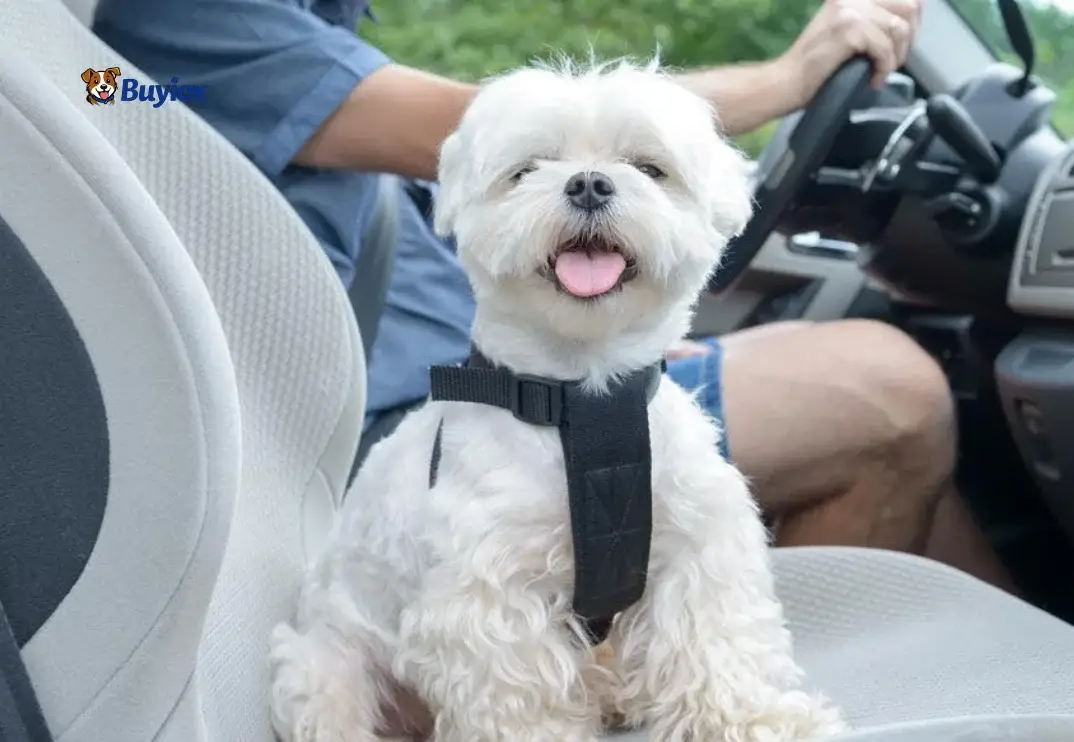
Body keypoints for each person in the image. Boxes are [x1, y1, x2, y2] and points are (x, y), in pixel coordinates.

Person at [93, 0, 1012, 592]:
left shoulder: (309, 31)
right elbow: (487, 131)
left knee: (896, 422)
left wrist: (594, 339)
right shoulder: (188, 24)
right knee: (890, 394)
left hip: (504, 380)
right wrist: (787, 79)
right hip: (414, 440)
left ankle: (961, 673)